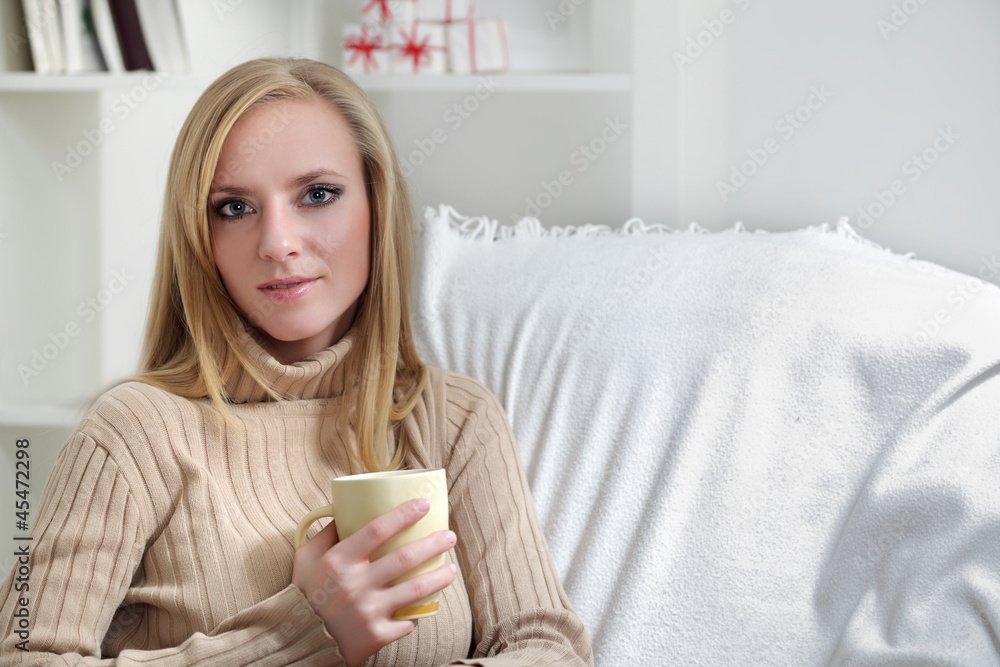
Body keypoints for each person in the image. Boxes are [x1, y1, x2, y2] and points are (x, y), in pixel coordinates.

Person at [0, 58, 593, 666]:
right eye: (233, 207)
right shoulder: (134, 432)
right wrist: (299, 632)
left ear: (377, 208)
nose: (278, 243)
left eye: (317, 195)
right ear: (198, 239)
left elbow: (550, 649)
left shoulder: (452, 419)